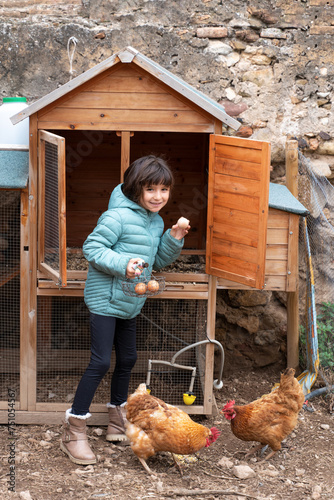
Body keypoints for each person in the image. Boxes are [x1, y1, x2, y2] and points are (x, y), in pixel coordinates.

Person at [60, 155, 190, 465]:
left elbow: (155, 260)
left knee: (128, 358)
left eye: (164, 190)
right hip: (106, 297)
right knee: (101, 361)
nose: (158, 197)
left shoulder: (154, 220)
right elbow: (91, 248)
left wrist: (174, 238)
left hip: (131, 300)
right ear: (135, 189)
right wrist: (123, 264)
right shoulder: (116, 216)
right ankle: (74, 429)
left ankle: (117, 418)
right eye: (151, 189)